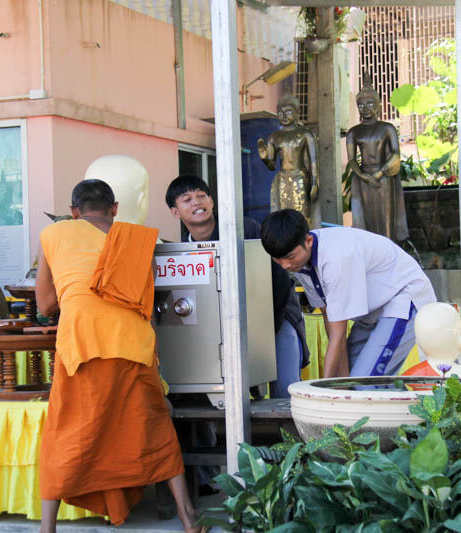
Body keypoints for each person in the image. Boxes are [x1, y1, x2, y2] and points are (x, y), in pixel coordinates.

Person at [35, 179, 200, 533]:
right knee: (155, 429)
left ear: (74, 211)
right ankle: (189, 519)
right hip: (133, 346)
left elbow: (46, 305)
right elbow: (147, 303)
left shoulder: (53, 234)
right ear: (114, 208)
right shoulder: (137, 239)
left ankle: (47, 529)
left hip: (82, 346)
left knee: (65, 436)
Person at [165, 175, 309, 397]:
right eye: (187, 199)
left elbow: (279, 279)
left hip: (276, 320)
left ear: (211, 201)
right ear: (175, 212)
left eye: (201, 196)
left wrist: (266, 328)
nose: (196, 202)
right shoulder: (184, 250)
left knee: (286, 392)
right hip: (226, 334)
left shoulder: (243, 229)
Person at [260, 208, 436, 379]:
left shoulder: (337, 257)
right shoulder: (298, 263)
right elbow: (330, 320)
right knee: (351, 380)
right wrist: (341, 382)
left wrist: (326, 387)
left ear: (309, 241)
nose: (285, 266)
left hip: (404, 298)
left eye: (290, 257)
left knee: (364, 383)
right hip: (372, 312)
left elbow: (338, 331)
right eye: (277, 259)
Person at [345, 75, 408, 242]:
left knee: (386, 220)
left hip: (384, 177)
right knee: (367, 220)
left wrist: (380, 173)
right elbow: (352, 160)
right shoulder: (353, 132)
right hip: (364, 179)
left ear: (378, 105)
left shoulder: (387, 128)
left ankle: (389, 249)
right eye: (361, 105)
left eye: (370, 104)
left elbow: (395, 154)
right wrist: (362, 175)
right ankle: (370, 250)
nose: (365, 108)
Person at [257, 94, 319, 226]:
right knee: (284, 216)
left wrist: (314, 182)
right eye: (280, 113)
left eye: (288, 112)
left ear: (297, 112)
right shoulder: (274, 137)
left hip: (300, 178)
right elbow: (272, 166)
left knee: (302, 216)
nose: (284, 116)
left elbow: (314, 161)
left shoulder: (306, 134)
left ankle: (303, 236)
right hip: (282, 180)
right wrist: (264, 158)